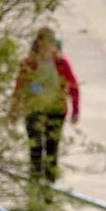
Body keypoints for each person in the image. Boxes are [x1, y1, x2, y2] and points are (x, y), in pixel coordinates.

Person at [9, 26, 81, 185]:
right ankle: (34, 187)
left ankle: (49, 189)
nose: (48, 44)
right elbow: (19, 87)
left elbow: (73, 86)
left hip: (55, 112)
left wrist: (75, 109)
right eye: (45, 40)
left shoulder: (61, 63)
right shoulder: (29, 62)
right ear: (39, 42)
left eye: (51, 41)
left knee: (51, 150)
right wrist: (14, 110)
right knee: (35, 150)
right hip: (33, 111)